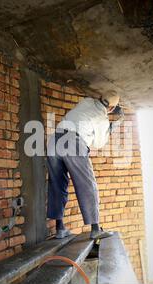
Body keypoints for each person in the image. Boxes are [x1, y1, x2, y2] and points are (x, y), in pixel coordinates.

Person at [46, 90, 124, 239]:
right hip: (72, 142)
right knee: (87, 184)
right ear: (112, 108)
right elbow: (99, 143)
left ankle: (60, 228)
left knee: (57, 184)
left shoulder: (86, 101)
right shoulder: (102, 119)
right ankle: (95, 229)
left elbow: (84, 113)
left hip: (54, 140)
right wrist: (111, 128)